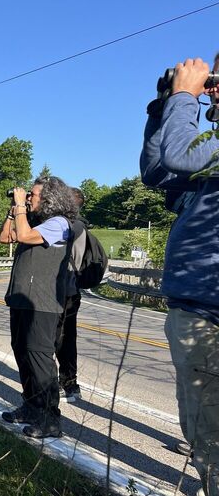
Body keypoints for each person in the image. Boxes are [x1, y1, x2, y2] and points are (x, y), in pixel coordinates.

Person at [140, 55, 219, 495]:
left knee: (213, 438)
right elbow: (158, 172)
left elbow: (179, 154)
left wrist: (185, 97)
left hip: (209, 309)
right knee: (200, 428)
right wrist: (163, 106)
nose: (212, 87)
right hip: (198, 307)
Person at [0, 176, 78, 439]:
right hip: (22, 298)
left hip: (43, 303)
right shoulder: (34, 222)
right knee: (22, 353)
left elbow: (24, 236)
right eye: (27, 195)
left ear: (50, 198)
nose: (28, 198)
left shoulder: (59, 224)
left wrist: (21, 207)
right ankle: (31, 407)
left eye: (32, 195)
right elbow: (4, 238)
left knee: (40, 358)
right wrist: (13, 212)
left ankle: (50, 420)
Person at [55, 187, 87, 402]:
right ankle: (68, 383)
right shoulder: (79, 225)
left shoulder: (72, 226)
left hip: (65, 289)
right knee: (65, 338)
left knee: (61, 338)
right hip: (69, 290)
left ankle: (68, 383)